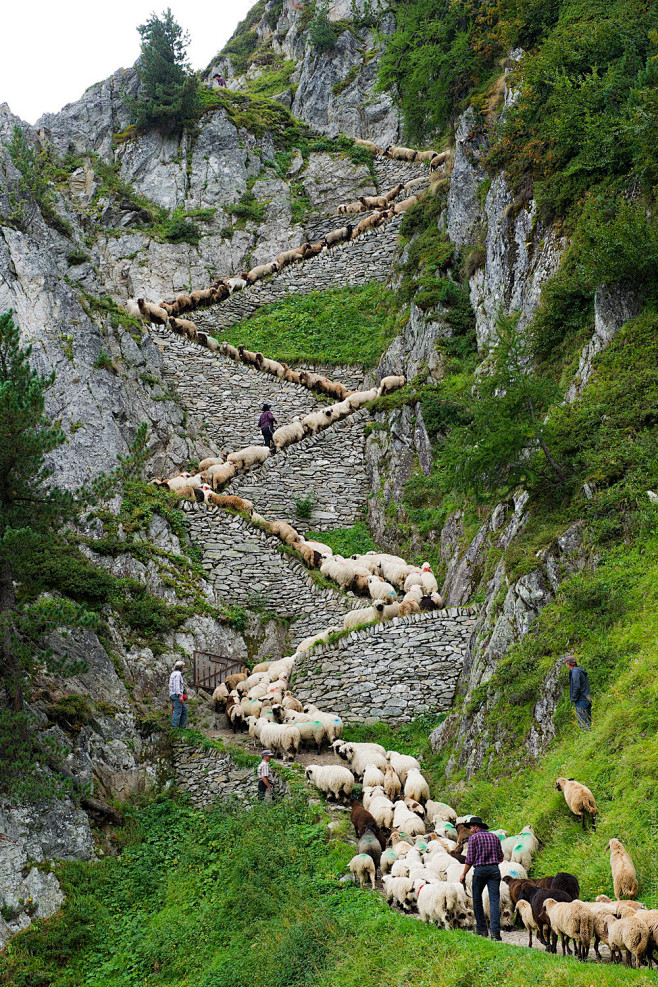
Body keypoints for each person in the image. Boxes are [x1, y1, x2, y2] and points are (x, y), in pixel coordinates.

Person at [460, 816, 504, 940]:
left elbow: (470, 859)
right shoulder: (495, 837)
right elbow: (501, 857)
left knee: (477, 899)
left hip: (480, 870)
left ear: (475, 826)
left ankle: (482, 929)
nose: (470, 829)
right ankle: (495, 933)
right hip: (494, 870)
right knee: (494, 900)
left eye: (471, 827)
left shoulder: (473, 838)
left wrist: (463, 874)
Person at [565, 655, 592, 730]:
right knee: (588, 722)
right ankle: (590, 739)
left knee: (583, 723)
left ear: (568, 663)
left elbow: (576, 686)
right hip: (587, 698)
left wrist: (573, 698)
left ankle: (587, 739)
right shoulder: (580, 670)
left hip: (581, 700)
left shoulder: (575, 672)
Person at [169, 659, 188, 728]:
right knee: (177, 711)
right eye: (183, 667)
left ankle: (182, 727)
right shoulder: (178, 674)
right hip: (177, 695)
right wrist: (180, 696)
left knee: (184, 710)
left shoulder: (173, 673)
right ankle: (174, 728)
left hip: (173, 694)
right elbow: (177, 685)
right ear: (181, 667)